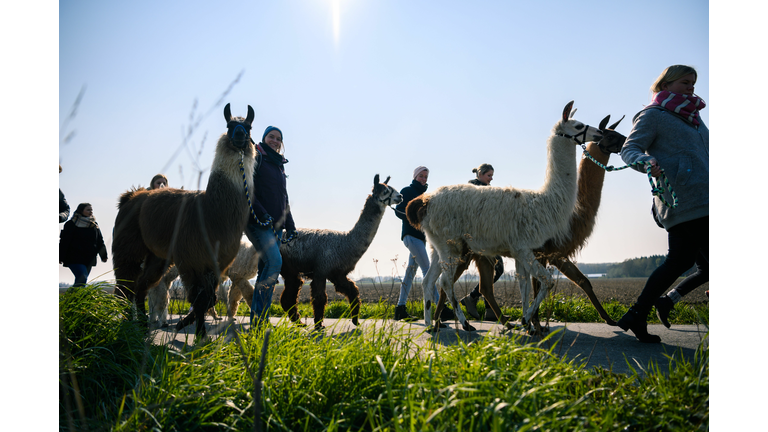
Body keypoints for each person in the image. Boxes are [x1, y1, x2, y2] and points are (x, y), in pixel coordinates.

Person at [617, 65, 709, 343]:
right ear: (666, 84)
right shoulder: (653, 115)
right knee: (679, 260)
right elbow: (629, 149)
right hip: (682, 200)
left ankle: (647, 309)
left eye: (693, 82)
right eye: (685, 82)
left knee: (695, 263)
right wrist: (646, 162)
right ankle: (640, 311)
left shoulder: (693, 118)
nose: (691, 87)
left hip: (706, 199)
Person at [245, 125, 297, 326]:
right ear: (263, 138)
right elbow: (248, 189)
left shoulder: (279, 165)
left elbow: (283, 198)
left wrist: (290, 225)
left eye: (278, 139)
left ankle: (259, 322)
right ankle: (259, 321)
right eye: (271, 137)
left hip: (275, 225)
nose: (275, 141)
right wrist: (262, 213)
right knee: (275, 262)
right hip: (258, 222)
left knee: (265, 269)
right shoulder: (256, 157)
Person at [393, 166, 454, 322]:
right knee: (428, 269)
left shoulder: (426, 195)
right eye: (421, 176)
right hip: (410, 236)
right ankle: (441, 308)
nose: (424, 179)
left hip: (420, 239)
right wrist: (414, 218)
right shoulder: (407, 191)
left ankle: (400, 308)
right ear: (415, 176)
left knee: (410, 273)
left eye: (426, 177)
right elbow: (399, 210)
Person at [458, 164, 505, 321]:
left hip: (488, 236)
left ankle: (489, 310)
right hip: (478, 237)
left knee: (492, 271)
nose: (491, 178)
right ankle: (471, 298)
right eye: (489, 175)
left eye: (492, 175)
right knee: (497, 268)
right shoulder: (473, 187)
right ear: (480, 174)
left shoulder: (488, 189)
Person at [59, 203, 108, 287]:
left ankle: (72, 299)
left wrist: (103, 256)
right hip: (74, 257)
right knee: (82, 277)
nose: (90, 212)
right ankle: (74, 299)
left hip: (89, 258)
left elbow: (99, 241)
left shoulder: (94, 225)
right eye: (88, 210)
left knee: (81, 281)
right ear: (81, 211)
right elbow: (64, 241)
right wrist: (60, 256)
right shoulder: (71, 224)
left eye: (91, 210)